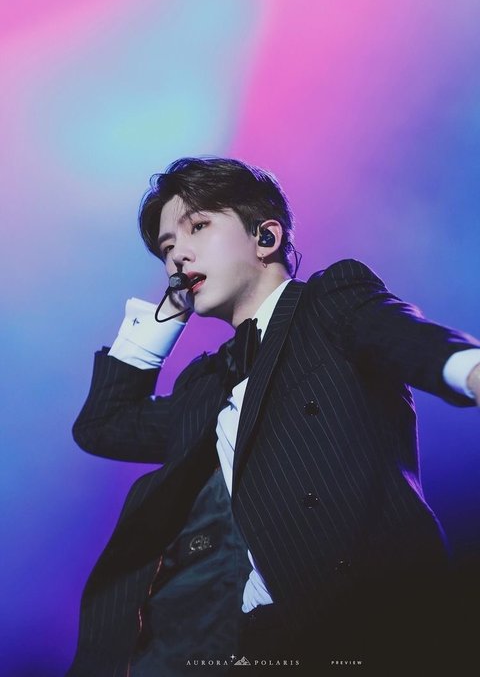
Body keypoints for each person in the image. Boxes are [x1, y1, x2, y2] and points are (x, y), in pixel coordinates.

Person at [67, 157, 480, 676]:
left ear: (265, 237)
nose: (178, 256)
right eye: (167, 247)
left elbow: (402, 337)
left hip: (372, 617)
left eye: (198, 227)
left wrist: (470, 369)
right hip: (252, 642)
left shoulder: (328, 302)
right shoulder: (206, 384)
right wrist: (164, 317)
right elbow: (104, 425)